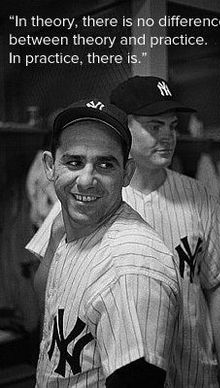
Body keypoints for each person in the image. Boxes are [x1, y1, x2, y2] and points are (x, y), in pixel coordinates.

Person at [27, 77, 220, 388]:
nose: (167, 136)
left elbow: (218, 283)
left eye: (172, 126)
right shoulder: (83, 200)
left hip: (191, 370)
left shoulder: (198, 195)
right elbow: (52, 290)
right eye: (155, 126)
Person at [27, 97, 180, 387]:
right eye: (74, 162)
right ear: (50, 165)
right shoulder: (66, 226)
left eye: (105, 164)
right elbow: (48, 300)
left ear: (127, 173)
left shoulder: (130, 268)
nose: (86, 180)